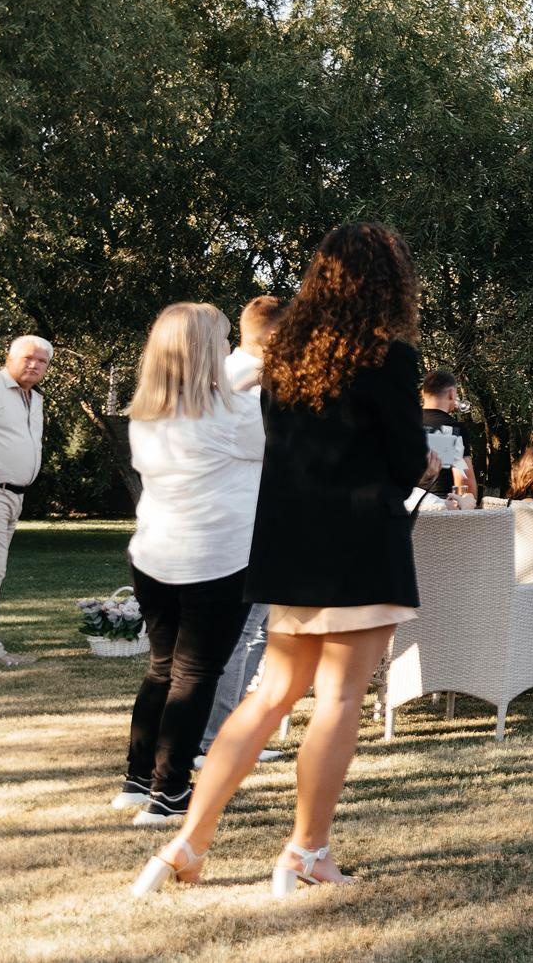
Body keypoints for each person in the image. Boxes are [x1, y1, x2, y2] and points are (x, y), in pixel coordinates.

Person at [135, 222, 434, 897]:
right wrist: (427, 461)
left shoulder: (286, 358)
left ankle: (187, 842)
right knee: (339, 697)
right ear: (386, 281)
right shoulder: (388, 357)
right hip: (360, 546)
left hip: (291, 548)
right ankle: (306, 850)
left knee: (269, 695)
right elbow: (406, 457)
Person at [116, 304, 263, 825]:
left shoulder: (146, 412)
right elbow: (285, 448)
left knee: (162, 668)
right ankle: (169, 792)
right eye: (222, 342)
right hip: (214, 558)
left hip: (154, 555)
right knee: (195, 674)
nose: (228, 350)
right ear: (205, 351)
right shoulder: (235, 415)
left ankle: (138, 778)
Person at [199, 296, 284, 767]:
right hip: (243, 520)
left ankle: (228, 731)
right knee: (241, 632)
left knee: (256, 632)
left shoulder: (242, 376)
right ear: (274, 336)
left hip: (260, 517)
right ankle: (216, 738)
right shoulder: (237, 380)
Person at [0, 334, 51, 668]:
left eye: (41, 361)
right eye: (27, 358)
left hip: (12, 495)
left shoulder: (34, 398)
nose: (33, 365)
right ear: (9, 357)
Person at [417, 369, 477, 505]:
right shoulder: (451, 429)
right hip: (440, 510)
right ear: (451, 393)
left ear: (423, 393)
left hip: (404, 508)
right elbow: (463, 480)